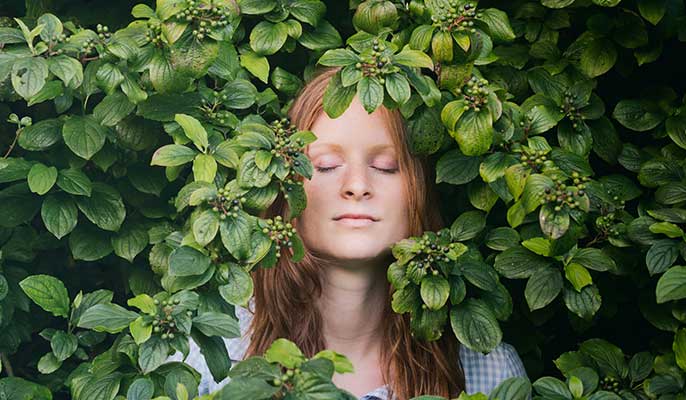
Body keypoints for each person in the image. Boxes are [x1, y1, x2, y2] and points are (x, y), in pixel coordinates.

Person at [168, 67, 529, 400]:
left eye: (385, 166)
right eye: (326, 165)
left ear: (417, 191)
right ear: (286, 189)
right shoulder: (208, 356)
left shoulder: (487, 371)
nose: (357, 185)